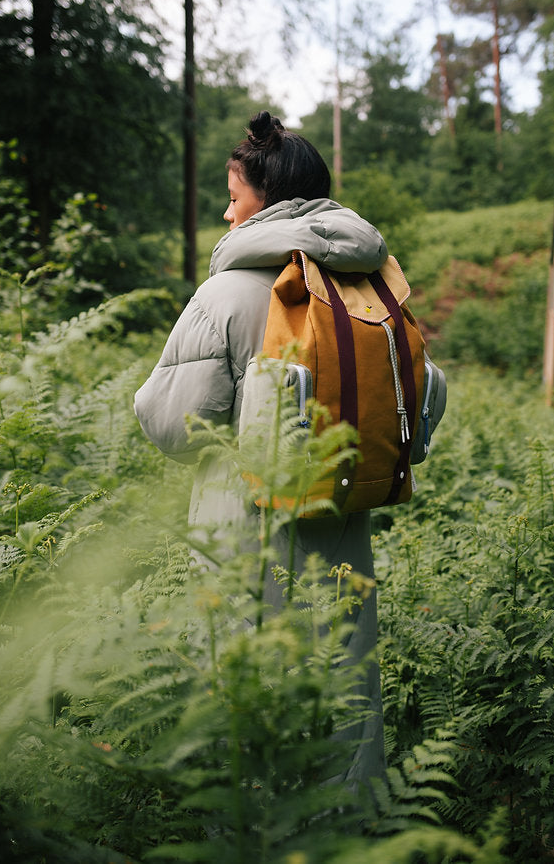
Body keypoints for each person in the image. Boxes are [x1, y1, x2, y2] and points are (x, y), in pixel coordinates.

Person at [134, 110, 389, 787]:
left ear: (267, 203)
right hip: (341, 534)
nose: (226, 211)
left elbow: (168, 421)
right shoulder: (367, 285)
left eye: (235, 195)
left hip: (241, 534)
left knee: (242, 709)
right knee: (341, 694)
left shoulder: (225, 293)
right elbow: (422, 398)